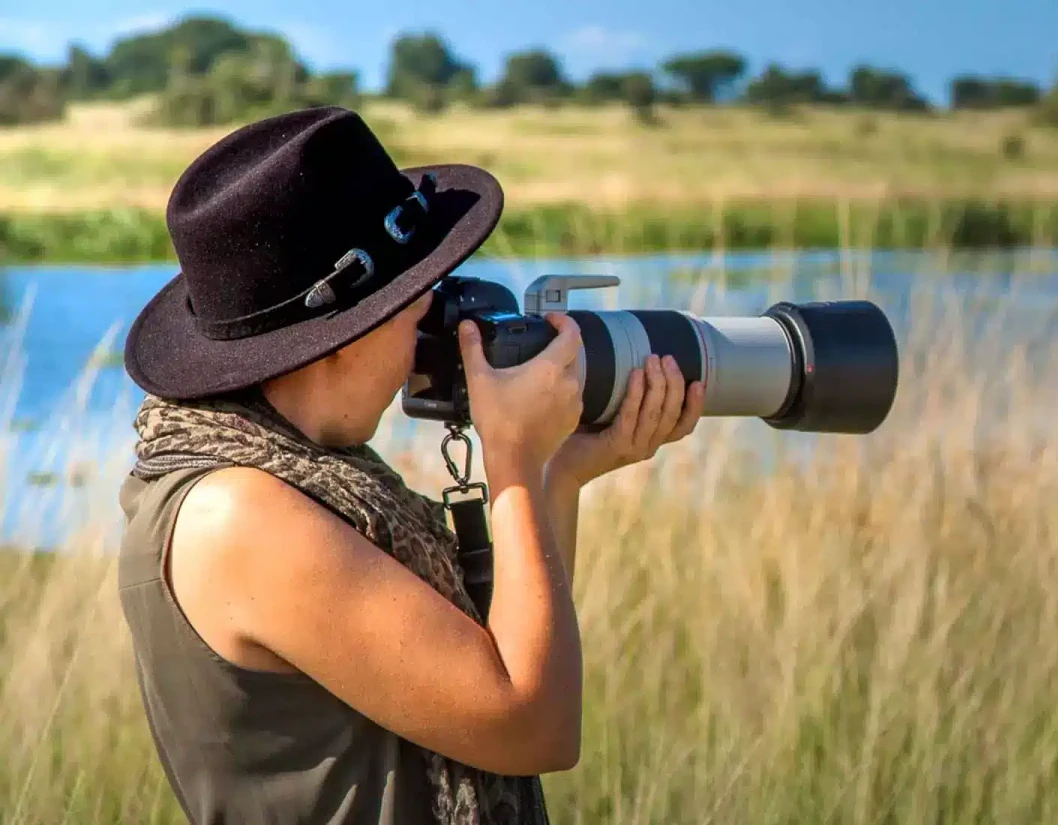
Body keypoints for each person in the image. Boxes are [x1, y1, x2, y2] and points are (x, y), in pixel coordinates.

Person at [115, 106, 702, 825]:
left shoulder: (283, 472)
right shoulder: (238, 514)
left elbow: (493, 660)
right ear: (340, 338)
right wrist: (512, 460)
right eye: (412, 298)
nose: (434, 318)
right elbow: (531, 725)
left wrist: (561, 473)